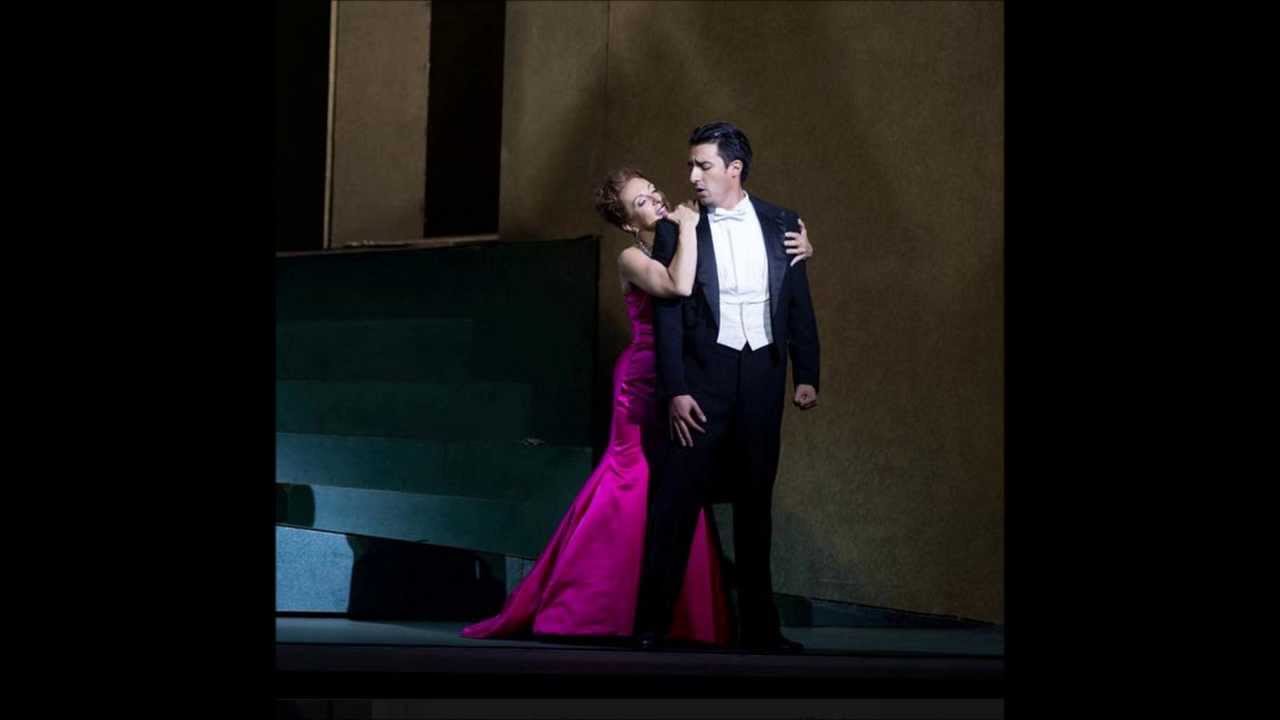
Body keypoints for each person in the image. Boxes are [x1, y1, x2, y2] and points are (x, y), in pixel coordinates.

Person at [461, 167, 813, 646]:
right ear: (629, 222)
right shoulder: (632, 256)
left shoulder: (684, 230)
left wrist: (801, 251)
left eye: (653, 191)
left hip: (684, 378)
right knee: (632, 479)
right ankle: (595, 607)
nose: (657, 200)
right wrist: (688, 229)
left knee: (679, 485)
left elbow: (743, 256)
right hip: (643, 382)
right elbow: (678, 286)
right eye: (642, 202)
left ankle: (675, 616)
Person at [634, 122, 820, 653]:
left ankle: (761, 630)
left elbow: (797, 302)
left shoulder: (782, 222)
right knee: (677, 499)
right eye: (691, 165)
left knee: (755, 503)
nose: (693, 176)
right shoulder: (678, 228)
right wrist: (675, 389)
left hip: (762, 373)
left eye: (704, 165)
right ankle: (652, 625)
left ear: (734, 169)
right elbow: (667, 315)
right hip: (702, 378)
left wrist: (807, 373)